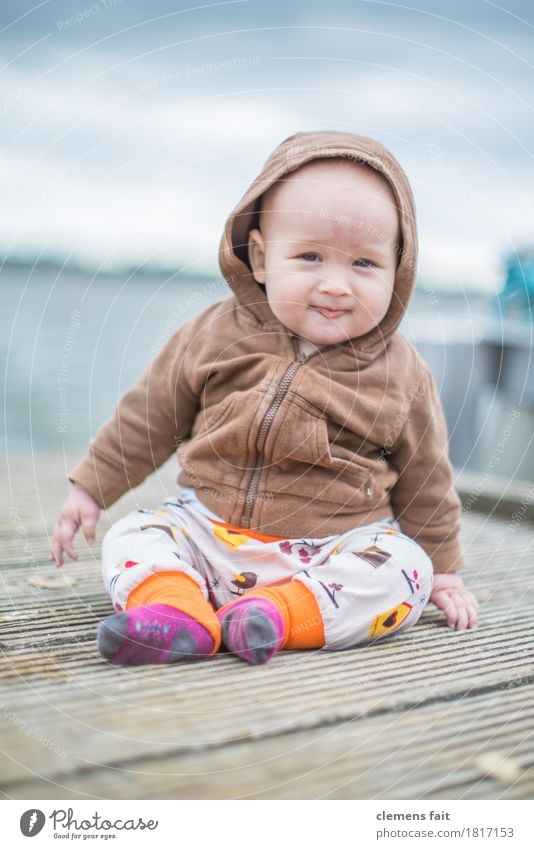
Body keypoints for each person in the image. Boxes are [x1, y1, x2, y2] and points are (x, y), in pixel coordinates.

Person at [50, 130, 479, 667]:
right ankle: (176, 609)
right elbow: (149, 417)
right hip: (208, 532)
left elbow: (427, 478)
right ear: (259, 257)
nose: (336, 285)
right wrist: (91, 488)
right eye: (309, 256)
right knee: (134, 534)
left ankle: (275, 616)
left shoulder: (401, 373)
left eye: (364, 264)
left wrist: (442, 568)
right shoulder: (213, 333)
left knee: (402, 571)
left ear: (399, 270)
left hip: (330, 553)